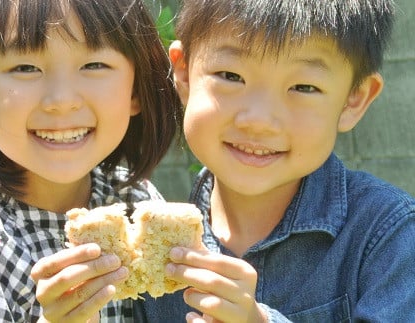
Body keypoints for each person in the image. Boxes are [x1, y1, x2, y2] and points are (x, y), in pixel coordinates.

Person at [0, 0, 182, 321]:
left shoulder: (132, 198)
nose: (62, 101)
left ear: (136, 91)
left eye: (93, 65)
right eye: (26, 68)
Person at [134, 0, 415, 322]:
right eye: (230, 75)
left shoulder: (387, 234)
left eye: (303, 87)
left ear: (354, 99)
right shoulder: (150, 247)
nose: (259, 121)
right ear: (183, 73)